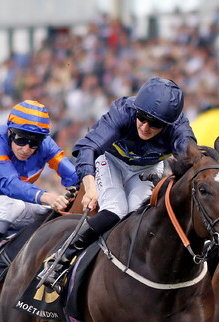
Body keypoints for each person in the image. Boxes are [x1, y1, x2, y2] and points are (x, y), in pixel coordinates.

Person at [41, 77, 196, 291]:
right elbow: (86, 148)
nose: (145, 126)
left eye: (156, 123)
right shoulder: (124, 111)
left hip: (146, 168)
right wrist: (91, 186)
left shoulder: (179, 127)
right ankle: (59, 258)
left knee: (137, 216)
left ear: (169, 123)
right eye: (142, 117)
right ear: (136, 110)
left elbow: (191, 158)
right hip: (111, 161)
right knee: (116, 209)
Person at [0, 100, 79, 289]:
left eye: (34, 144)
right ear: (10, 132)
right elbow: (10, 185)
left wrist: (84, 187)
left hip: (16, 205)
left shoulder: (45, 144)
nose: (26, 149)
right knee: (14, 205)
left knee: (54, 214)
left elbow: (71, 174)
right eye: (21, 139)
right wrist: (48, 196)